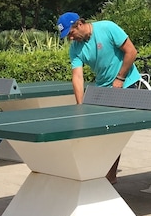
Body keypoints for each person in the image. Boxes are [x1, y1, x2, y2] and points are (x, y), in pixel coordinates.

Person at [57, 12, 139, 183]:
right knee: (104, 134)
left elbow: (131, 51)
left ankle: (110, 176)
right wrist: (81, 106)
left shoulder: (107, 28)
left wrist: (120, 78)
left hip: (126, 83)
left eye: (70, 33)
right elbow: (78, 77)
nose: (71, 38)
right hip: (103, 89)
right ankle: (108, 175)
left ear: (79, 24)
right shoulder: (75, 49)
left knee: (113, 133)